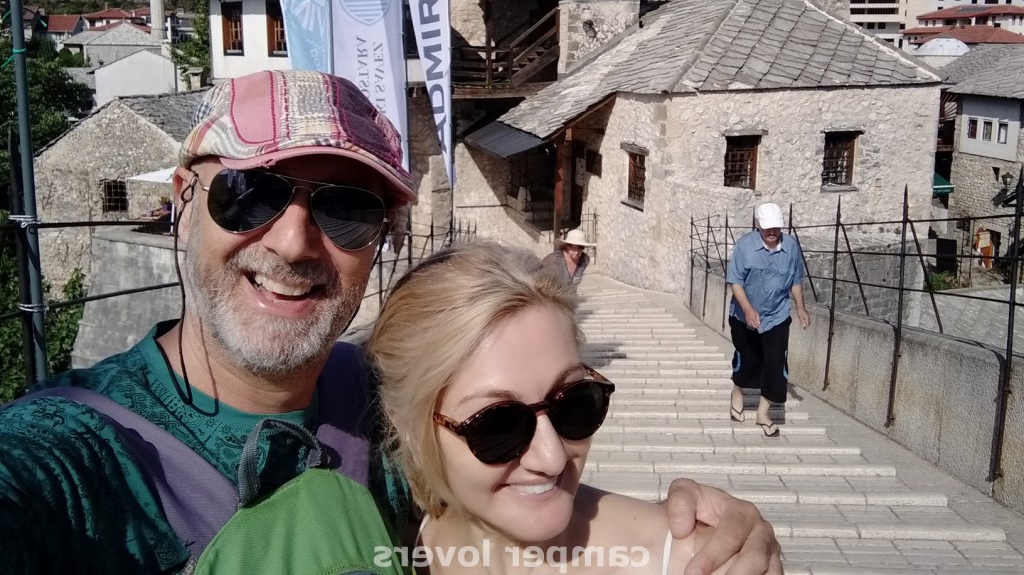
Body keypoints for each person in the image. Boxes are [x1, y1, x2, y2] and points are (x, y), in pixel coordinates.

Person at [0, 69, 780, 574]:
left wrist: (698, 541)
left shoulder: (384, 400)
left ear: (382, 239)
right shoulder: (75, 452)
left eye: (346, 209)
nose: (294, 242)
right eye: (251, 193)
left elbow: (496, 498)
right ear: (181, 201)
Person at [369, 241, 762, 575]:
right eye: (498, 425)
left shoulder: (693, 562)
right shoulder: (393, 546)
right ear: (406, 424)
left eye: (574, 403)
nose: (552, 458)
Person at [726, 202, 812, 437]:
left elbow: (795, 279)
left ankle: (763, 413)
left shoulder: (791, 247)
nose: (772, 232)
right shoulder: (745, 246)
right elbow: (735, 281)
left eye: (776, 227)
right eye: (767, 228)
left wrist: (800, 307)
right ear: (759, 226)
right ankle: (737, 392)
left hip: (777, 315)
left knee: (776, 363)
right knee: (748, 360)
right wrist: (748, 309)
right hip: (743, 316)